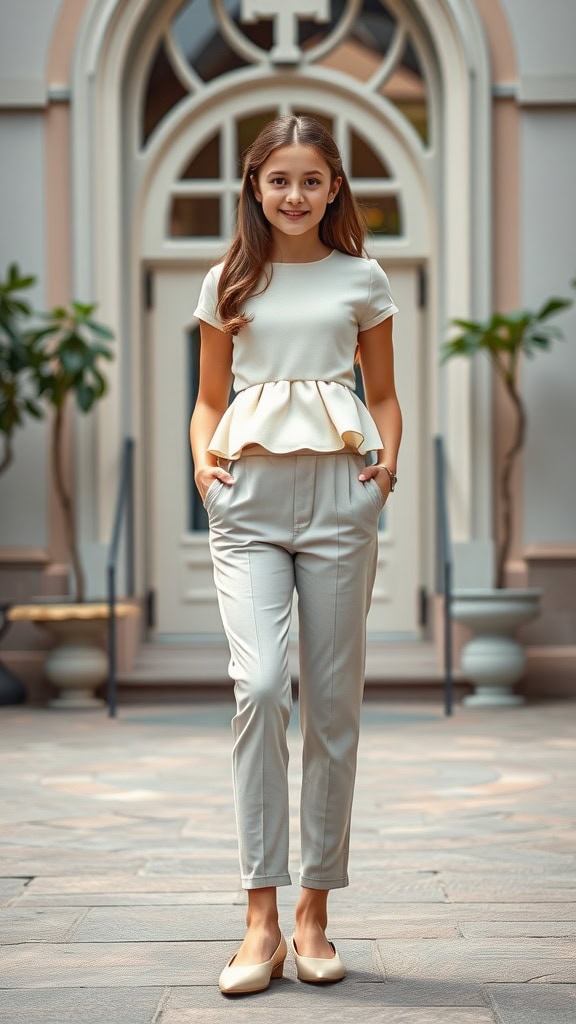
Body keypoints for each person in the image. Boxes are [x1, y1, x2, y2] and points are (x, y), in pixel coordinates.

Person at [190, 114, 402, 995]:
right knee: (263, 686)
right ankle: (258, 918)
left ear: (334, 189)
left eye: (311, 180)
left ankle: (314, 909)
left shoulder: (364, 278)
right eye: (279, 179)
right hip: (249, 503)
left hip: (340, 502)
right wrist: (205, 471)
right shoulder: (227, 280)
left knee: (333, 705)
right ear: (255, 187)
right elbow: (207, 402)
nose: (294, 195)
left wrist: (381, 475)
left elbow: (383, 396)